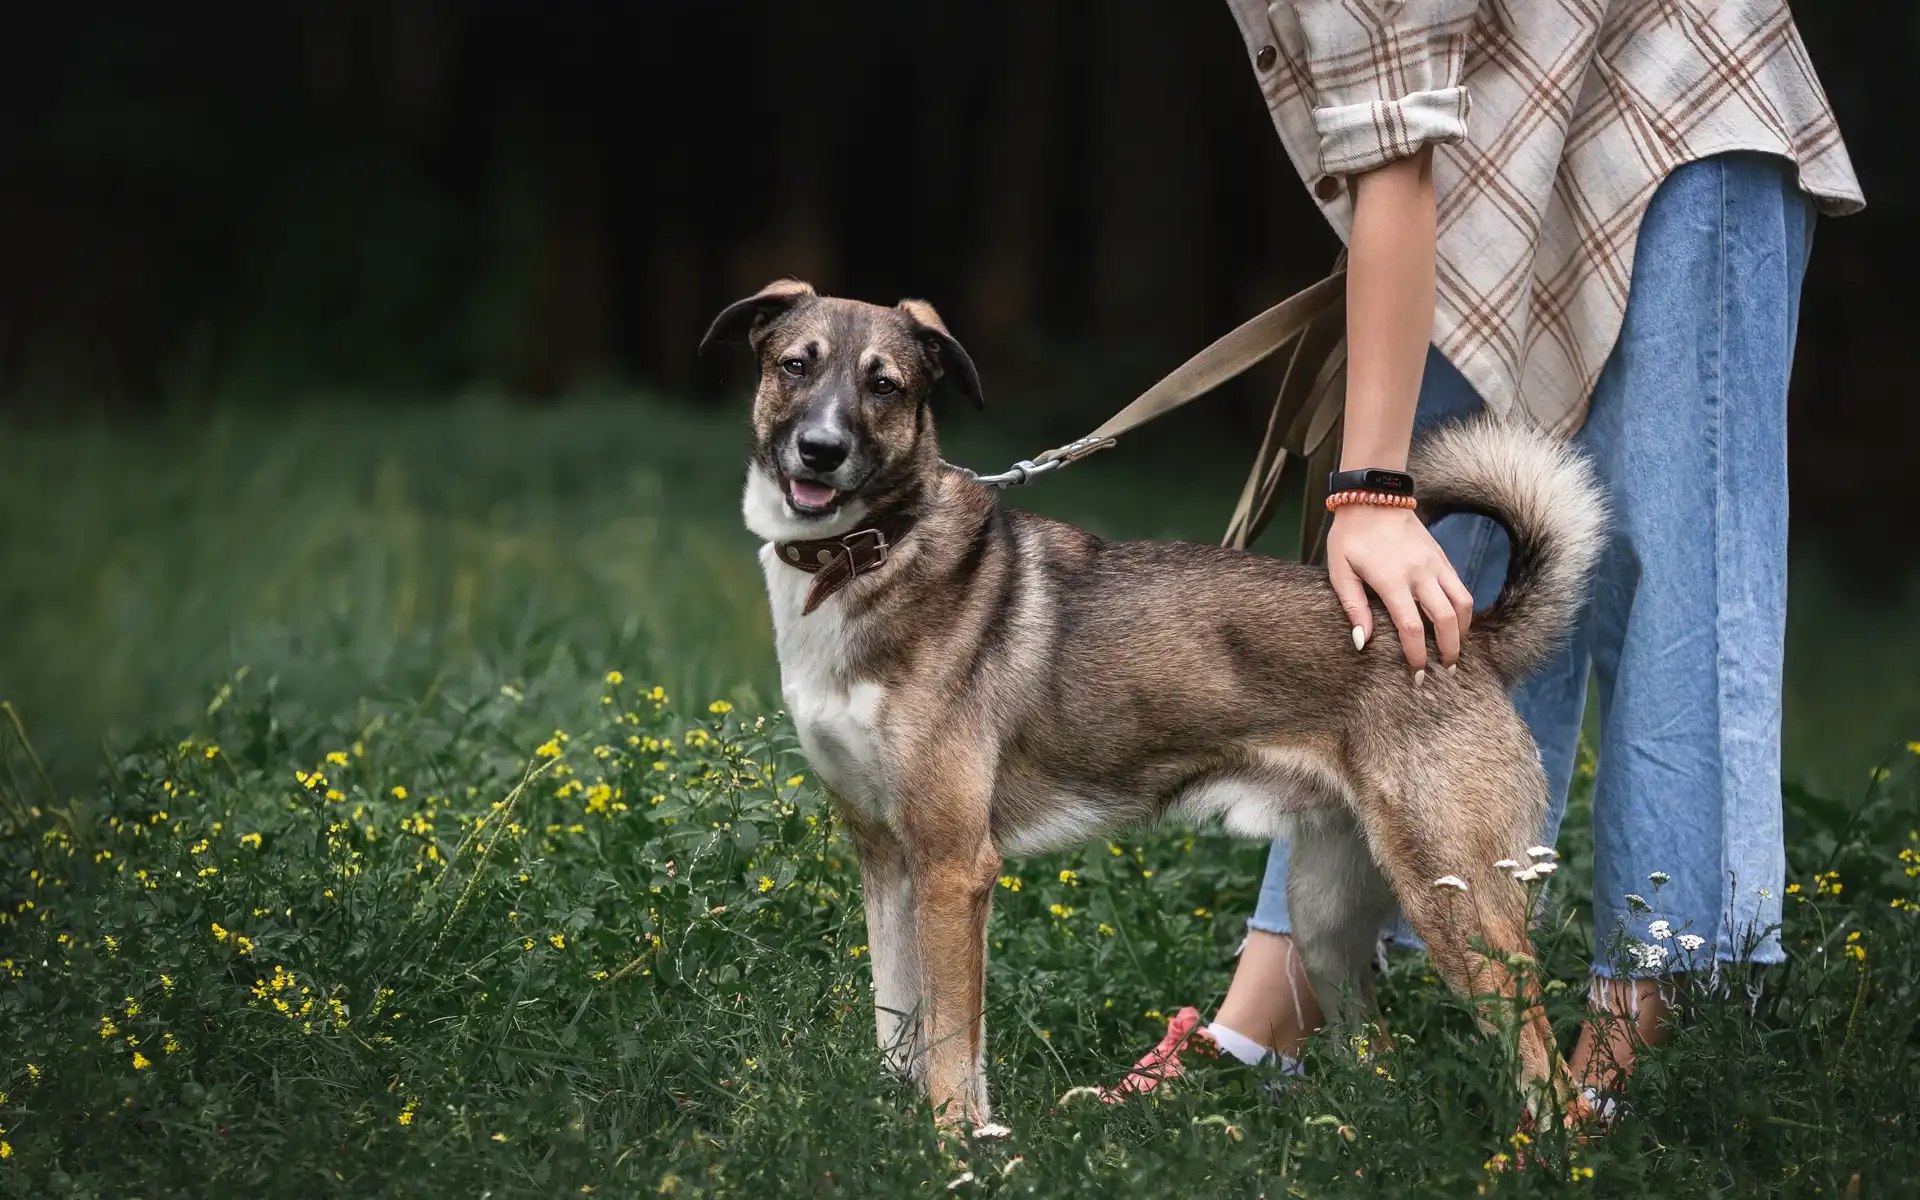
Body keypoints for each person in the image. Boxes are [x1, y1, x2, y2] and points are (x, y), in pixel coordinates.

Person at [1106, 1, 1862, 1107]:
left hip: (1673, 123)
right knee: (1435, 588)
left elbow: (1391, 161)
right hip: (1501, 176)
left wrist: (1366, 486)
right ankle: (1271, 1016)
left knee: (1674, 597)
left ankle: (1644, 1023)